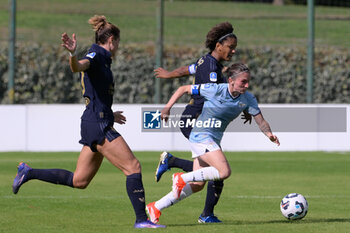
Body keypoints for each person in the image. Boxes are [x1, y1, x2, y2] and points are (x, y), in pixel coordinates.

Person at [12, 15, 165, 229]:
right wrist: (73, 54)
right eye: (118, 43)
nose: (118, 47)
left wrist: (111, 114)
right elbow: (78, 66)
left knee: (79, 181)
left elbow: (96, 95)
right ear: (111, 40)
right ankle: (141, 220)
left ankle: (28, 172)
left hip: (96, 121)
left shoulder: (103, 60)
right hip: (98, 125)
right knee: (133, 167)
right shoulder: (95, 55)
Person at [146, 63, 280, 224]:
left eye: (248, 82)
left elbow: (261, 121)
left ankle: (156, 207)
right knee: (223, 172)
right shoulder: (216, 89)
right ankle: (181, 177)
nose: (247, 85)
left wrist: (269, 134)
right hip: (201, 135)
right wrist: (167, 108)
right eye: (243, 82)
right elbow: (183, 89)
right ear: (231, 80)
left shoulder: (248, 99)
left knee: (197, 185)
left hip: (212, 140)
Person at [153, 22, 251, 223]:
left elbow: (186, 70)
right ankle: (206, 213)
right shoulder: (212, 69)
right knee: (219, 171)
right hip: (197, 121)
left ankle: (159, 201)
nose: (234, 50)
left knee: (202, 178)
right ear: (218, 46)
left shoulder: (205, 62)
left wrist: (168, 74)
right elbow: (216, 97)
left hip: (194, 119)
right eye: (231, 47)